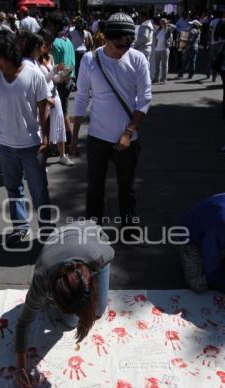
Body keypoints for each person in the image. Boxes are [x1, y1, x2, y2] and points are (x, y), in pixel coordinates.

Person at [71, 13, 152, 231]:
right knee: (95, 187)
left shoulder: (138, 58)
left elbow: (145, 98)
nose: (122, 50)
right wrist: (73, 136)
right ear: (106, 37)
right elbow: (81, 98)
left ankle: (129, 226)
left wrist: (129, 132)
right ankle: (92, 228)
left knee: (127, 188)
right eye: (118, 45)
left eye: (127, 46)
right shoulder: (90, 59)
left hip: (129, 138)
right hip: (98, 137)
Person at [14, 221, 115, 388]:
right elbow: (24, 323)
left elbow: (110, 251)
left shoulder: (100, 256)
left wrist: (89, 307)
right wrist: (20, 368)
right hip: (57, 241)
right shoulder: (42, 278)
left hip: (89, 235)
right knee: (69, 323)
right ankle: (52, 306)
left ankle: (84, 303)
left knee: (98, 311)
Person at [0, 30, 51, 246]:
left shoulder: (33, 75)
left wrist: (46, 140)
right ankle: (20, 227)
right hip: (6, 145)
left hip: (32, 145)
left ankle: (47, 228)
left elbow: (44, 109)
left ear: (10, 53)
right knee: (13, 188)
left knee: (39, 190)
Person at [180, 194, 225, 293]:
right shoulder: (221, 226)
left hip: (213, 227)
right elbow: (211, 265)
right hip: (190, 236)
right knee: (199, 284)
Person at [47, 12, 76, 149]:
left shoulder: (54, 43)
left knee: (59, 113)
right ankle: (69, 140)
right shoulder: (68, 41)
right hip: (70, 79)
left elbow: (53, 65)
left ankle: (65, 141)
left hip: (59, 80)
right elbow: (72, 63)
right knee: (64, 111)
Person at [153, 18, 174, 84]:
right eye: (161, 22)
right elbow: (154, 35)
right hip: (157, 49)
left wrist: (167, 23)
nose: (162, 23)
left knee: (164, 65)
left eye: (163, 22)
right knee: (157, 66)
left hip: (164, 50)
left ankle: (163, 79)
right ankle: (156, 79)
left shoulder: (168, 30)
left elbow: (175, 27)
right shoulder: (159, 30)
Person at [206, 11, 225, 81]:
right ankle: (214, 77)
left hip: (213, 43)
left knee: (210, 59)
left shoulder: (212, 22)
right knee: (218, 60)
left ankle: (208, 73)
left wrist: (208, 42)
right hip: (221, 43)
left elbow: (209, 32)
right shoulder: (223, 21)